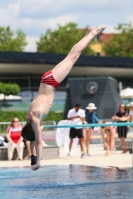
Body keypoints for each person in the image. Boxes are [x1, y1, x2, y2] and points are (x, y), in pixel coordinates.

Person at [21, 26, 107, 171]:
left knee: (73, 56)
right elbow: (33, 140)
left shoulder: (35, 118)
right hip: (46, 80)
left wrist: (38, 162)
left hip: (51, 82)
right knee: (72, 56)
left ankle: (92, 33)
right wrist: (34, 160)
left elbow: (39, 143)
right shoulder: (29, 118)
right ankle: (89, 34)